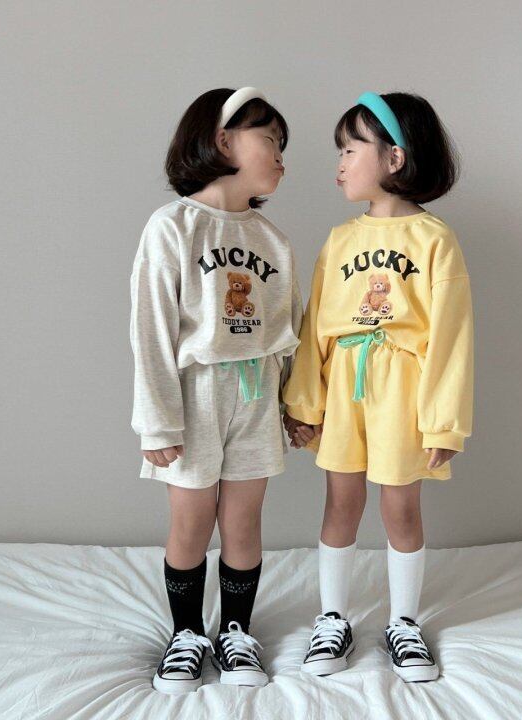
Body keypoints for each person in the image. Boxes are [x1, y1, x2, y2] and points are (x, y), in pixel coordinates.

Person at [282, 91, 474, 683]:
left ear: (394, 157)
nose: (339, 163)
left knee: (401, 506)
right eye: (339, 151)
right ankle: (331, 618)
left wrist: (443, 421)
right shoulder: (340, 240)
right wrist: (305, 401)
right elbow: (316, 326)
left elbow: (451, 336)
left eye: (350, 149)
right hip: (345, 383)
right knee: (340, 501)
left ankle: (404, 623)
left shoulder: (434, 239)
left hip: (403, 387)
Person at [129, 87, 302, 693]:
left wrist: (294, 405)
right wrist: (157, 421)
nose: (281, 155)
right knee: (191, 521)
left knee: (244, 521)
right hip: (194, 393)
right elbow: (150, 329)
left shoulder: (273, 239)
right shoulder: (172, 226)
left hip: (256, 393)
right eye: (270, 139)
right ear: (223, 140)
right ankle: (185, 635)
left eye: (282, 144)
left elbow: (288, 331)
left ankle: (235, 633)